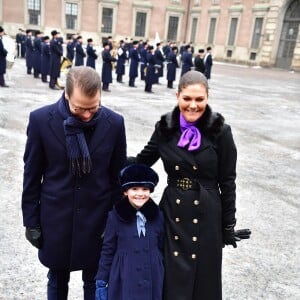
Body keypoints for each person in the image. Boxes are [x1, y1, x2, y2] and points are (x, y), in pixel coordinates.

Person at [129, 71, 250, 300]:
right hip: (172, 213)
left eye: (199, 99)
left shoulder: (221, 132)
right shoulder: (165, 127)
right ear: (177, 96)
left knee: (203, 281)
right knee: (170, 278)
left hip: (207, 213)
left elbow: (228, 181)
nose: (193, 105)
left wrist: (227, 225)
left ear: (207, 97)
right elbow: (141, 162)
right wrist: (108, 158)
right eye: (187, 98)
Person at [21, 66, 127, 300]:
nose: (87, 115)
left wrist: (115, 218)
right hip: (55, 219)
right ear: (66, 95)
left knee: (95, 279)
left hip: (97, 220)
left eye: (93, 107)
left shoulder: (115, 123)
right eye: (79, 108)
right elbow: (31, 175)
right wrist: (31, 221)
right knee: (57, 279)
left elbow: (117, 178)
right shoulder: (41, 120)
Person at [95, 163, 164, 300]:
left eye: (145, 189)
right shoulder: (114, 217)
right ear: (125, 191)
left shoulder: (158, 216)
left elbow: (162, 246)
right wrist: (101, 281)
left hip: (152, 274)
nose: (140, 194)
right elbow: (107, 250)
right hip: (124, 276)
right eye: (134, 189)